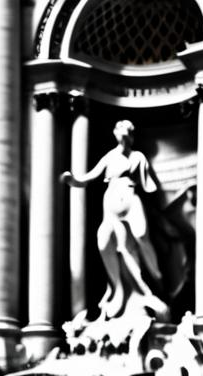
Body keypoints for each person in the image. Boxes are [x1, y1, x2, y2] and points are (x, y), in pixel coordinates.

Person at [61, 120, 168, 320]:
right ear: (114, 133)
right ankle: (120, 289)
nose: (123, 134)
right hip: (111, 201)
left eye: (127, 130)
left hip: (130, 197)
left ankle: (156, 276)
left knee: (142, 235)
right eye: (120, 129)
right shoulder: (110, 156)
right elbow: (90, 176)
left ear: (132, 135)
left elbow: (150, 186)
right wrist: (73, 181)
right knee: (105, 243)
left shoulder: (137, 156)